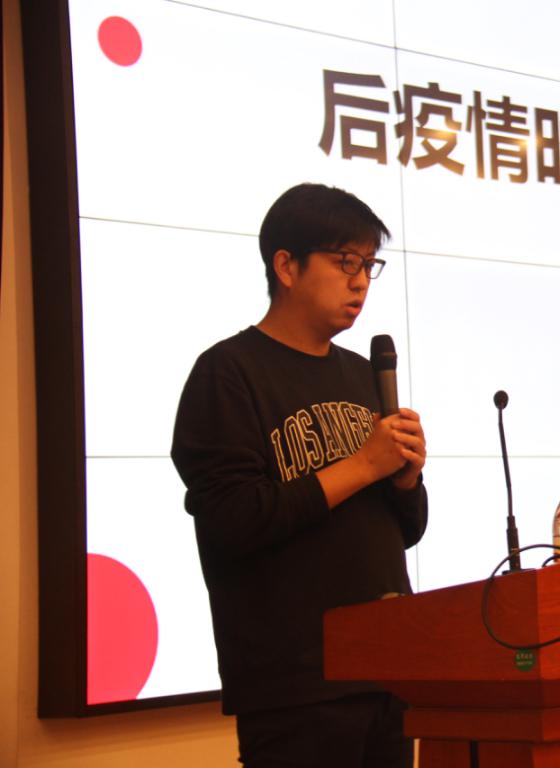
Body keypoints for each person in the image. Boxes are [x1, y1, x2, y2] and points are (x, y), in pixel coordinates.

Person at [171, 183, 427, 767]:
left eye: (369, 265)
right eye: (344, 262)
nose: (360, 282)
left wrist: (404, 479)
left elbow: (403, 532)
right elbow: (234, 521)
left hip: (387, 671)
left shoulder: (363, 375)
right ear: (286, 266)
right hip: (295, 689)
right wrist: (363, 464)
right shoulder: (227, 373)